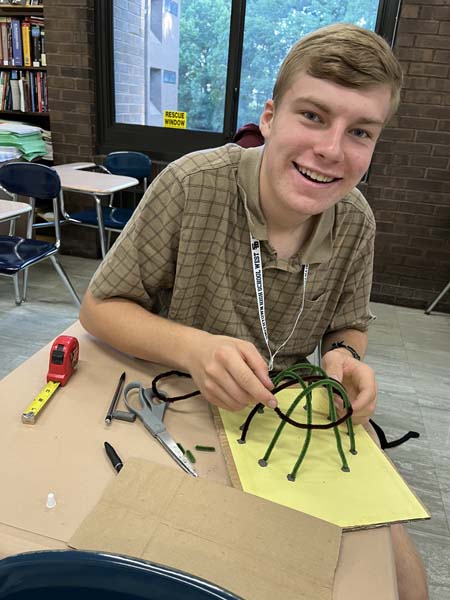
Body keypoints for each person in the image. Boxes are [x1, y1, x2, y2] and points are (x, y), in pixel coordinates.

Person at [80, 24, 428, 600]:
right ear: (270, 118)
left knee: (399, 580)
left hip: (287, 416)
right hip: (182, 407)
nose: (331, 150)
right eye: (313, 116)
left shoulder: (356, 220)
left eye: (360, 131)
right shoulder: (193, 185)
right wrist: (194, 348)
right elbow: (99, 307)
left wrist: (343, 359)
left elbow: (348, 323)